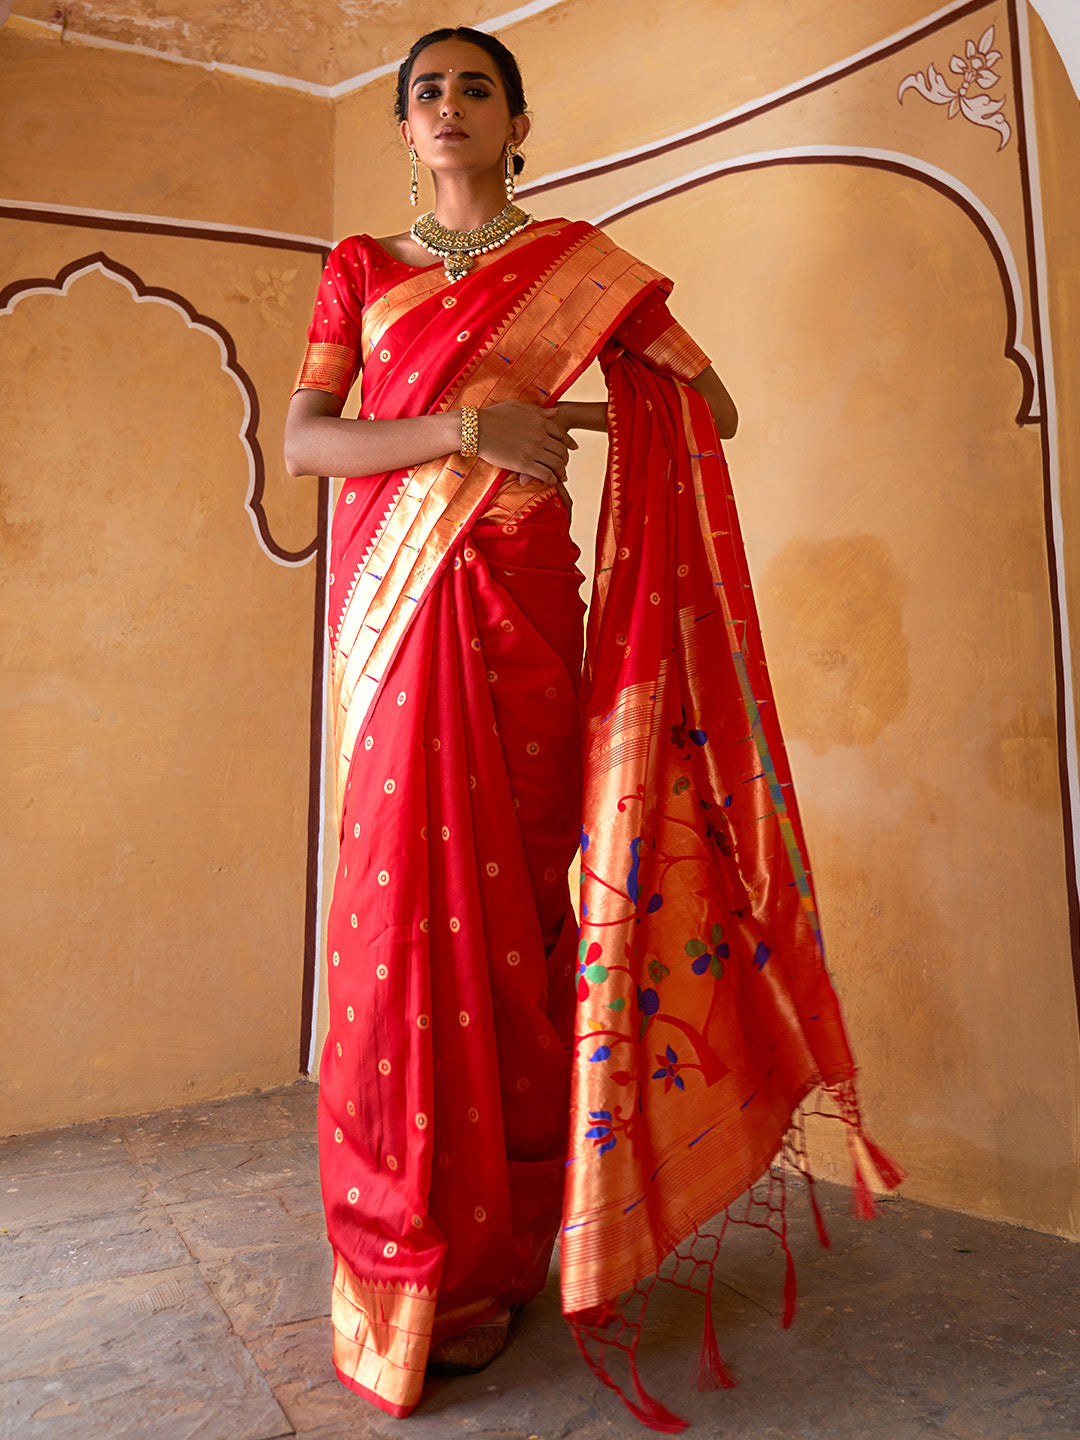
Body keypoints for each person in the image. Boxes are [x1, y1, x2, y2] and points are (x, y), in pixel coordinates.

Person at [285, 25, 896, 1429]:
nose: (448, 105)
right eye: (425, 89)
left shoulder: (576, 266)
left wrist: (601, 406)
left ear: (516, 122)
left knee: (513, 938)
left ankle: (492, 1263)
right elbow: (310, 442)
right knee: (389, 948)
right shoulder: (361, 271)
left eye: (474, 87)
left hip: (522, 617)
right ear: (402, 129)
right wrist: (467, 433)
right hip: (394, 629)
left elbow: (713, 407)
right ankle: (395, 1266)